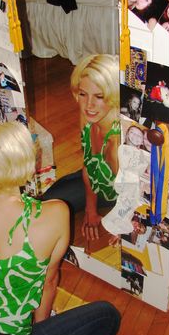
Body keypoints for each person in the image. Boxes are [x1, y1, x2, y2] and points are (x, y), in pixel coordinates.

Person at [0, 121, 121, 335]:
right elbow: (49, 283)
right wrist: (42, 332)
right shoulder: (55, 214)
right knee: (108, 315)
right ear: (27, 168)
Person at [42, 54, 121, 242]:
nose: (89, 105)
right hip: (95, 176)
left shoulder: (117, 142)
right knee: (44, 204)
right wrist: (90, 209)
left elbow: (132, 196)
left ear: (113, 96)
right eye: (83, 94)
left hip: (119, 193)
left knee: (48, 211)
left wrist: (121, 222)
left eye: (99, 96)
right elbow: (88, 166)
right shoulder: (88, 114)